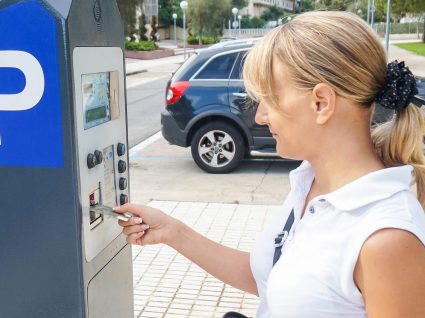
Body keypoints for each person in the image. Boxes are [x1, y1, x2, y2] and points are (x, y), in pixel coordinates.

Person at [114, 11, 425, 317]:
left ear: (321, 103)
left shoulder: (386, 238)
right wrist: (173, 232)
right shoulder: (310, 184)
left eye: (269, 99)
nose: (261, 115)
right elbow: (269, 279)